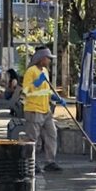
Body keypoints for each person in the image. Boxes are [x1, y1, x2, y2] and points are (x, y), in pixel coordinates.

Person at [14, 43, 65, 176]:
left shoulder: (45, 72)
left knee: (51, 134)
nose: (49, 61)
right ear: (41, 58)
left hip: (45, 109)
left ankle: (50, 162)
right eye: (48, 58)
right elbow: (25, 91)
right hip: (33, 109)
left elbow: (46, 91)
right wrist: (36, 83)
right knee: (33, 138)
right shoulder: (31, 71)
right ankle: (31, 163)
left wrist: (55, 97)